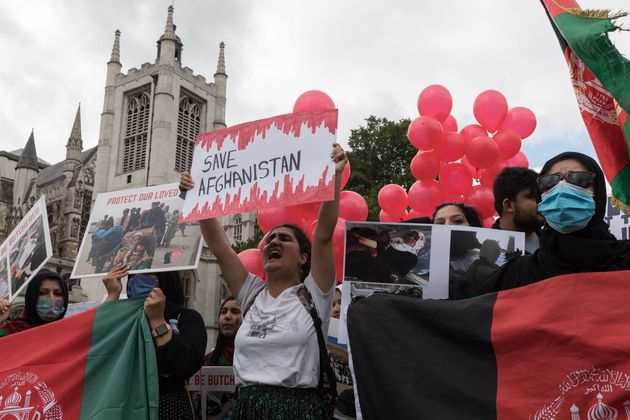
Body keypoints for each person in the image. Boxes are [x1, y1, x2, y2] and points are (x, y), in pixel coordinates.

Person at [179, 143, 347, 419]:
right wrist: (195, 198)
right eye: (270, 238)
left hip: (299, 411)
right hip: (247, 408)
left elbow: (324, 236)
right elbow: (221, 248)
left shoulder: (314, 295)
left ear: (304, 257)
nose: (274, 241)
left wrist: (334, 177)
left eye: (284, 238)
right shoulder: (252, 296)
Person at [460, 152, 630, 298]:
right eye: (550, 183)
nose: (562, 189)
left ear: (598, 192)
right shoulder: (516, 273)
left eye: (579, 180)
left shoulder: (625, 259)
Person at [103, 265, 207, 419]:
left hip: (168, 405)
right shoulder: (125, 317)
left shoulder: (186, 318)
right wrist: (112, 296)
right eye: (135, 275)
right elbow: (99, 345)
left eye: (147, 274)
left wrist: (157, 321)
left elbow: (187, 365)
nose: (138, 280)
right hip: (124, 403)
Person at [196, 297, 243, 418]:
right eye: (223, 312)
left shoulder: (255, 363)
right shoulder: (206, 361)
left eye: (235, 311)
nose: (227, 316)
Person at [492, 167, 545, 253]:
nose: (542, 202)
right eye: (533, 196)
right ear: (508, 205)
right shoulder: (484, 250)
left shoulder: (555, 241)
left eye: (543, 196)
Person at [0, 271, 68, 337]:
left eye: (58, 293)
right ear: (31, 297)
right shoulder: (8, 332)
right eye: (42, 293)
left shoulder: (71, 336)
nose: (51, 298)